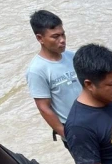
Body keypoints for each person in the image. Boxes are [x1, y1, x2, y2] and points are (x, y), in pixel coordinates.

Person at [25, 10, 81, 143]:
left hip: (94, 120)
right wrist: (67, 135)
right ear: (40, 38)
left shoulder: (73, 57)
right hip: (73, 129)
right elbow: (44, 107)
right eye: (55, 37)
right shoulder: (37, 70)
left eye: (63, 34)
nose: (62, 40)